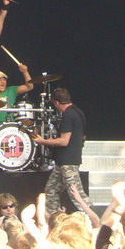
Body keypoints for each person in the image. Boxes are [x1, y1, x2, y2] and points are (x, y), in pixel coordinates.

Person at [31, 87, 91, 216]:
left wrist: (43, 141)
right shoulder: (78, 112)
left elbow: (64, 141)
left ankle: (93, 219)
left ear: (57, 102)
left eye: (54, 104)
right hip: (63, 161)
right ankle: (55, 218)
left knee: (77, 193)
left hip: (68, 162)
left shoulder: (68, 115)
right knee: (51, 189)